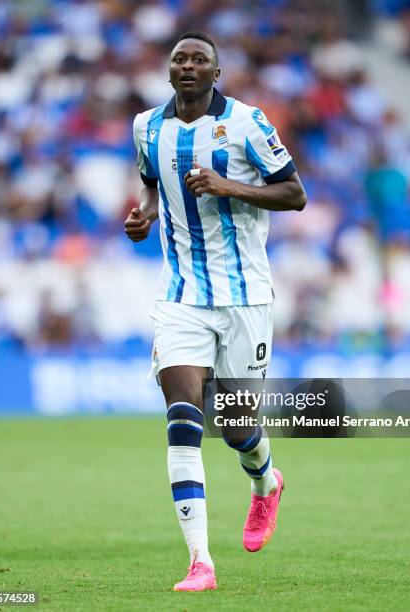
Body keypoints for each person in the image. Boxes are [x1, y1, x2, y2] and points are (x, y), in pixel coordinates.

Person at [125, 31, 307, 592]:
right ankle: (200, 561)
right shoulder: (146, 126)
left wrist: (227, 185)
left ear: (216, 71)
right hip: (180, 298)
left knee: (235, 428)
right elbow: (150, 181)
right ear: (169, 69)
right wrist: (146, 215)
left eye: (199, 59)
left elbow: (295, 193)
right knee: (183, 417)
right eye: (179, 58)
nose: (187, 65)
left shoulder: (249, 123)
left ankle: (265, 485)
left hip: (246, 297)